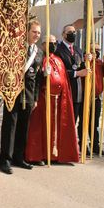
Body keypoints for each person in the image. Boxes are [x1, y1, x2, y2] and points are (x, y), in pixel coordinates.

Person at [25, 35, 79, 164]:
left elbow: (64, 79)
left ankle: (56, 155)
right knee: (41, 128)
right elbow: (36, 79)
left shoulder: (58, 60)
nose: (53, 45)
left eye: (54, 43)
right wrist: (44, 74)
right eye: (50, 43)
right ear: (44, 44)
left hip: (58, 99)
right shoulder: (40, 58)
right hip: (44, 99)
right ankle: (40, 155)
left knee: (57, 128)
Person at [0, 20, 43, 174]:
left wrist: (36, 98)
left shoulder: (39, 52)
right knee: (10, 127)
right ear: (27, 31)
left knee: (24, 127)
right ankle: (5, 160)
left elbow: (38, 78)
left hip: (29, 94)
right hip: (13, 93)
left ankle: (19, 157)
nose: (36, 35)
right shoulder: (16, 48)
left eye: (38, 32)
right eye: (34, 31)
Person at [54, 25, 89, 152]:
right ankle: (65, 148)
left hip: (80, 93)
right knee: (68, 123)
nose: (73, 34)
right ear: (63, 34)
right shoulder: (58, 50)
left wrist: (87, 62)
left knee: (80, 121)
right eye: (70, 32)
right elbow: (59, 71)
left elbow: (82, 68)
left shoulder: (79, 50)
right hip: (67, 93)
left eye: (74, 32)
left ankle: (80, 145)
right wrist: (76, 74)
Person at [82, 43, 104, 156]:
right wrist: (88, 60)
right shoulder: (85, 61)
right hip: (86, 97)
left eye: (98, 50)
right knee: (85, 122)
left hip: (96, 97)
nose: (97, 52)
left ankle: (95, 145)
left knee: (95, 123)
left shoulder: (99, 62)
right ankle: (83, 144)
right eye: (94, 50)